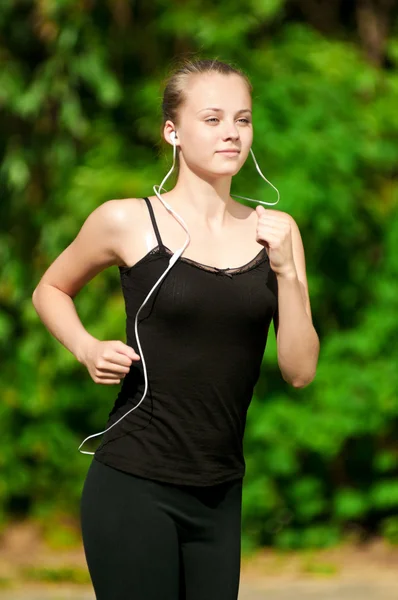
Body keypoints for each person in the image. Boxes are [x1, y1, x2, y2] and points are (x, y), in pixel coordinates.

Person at [32, 58, 319, 600]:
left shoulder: (276, 234)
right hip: (133, 481)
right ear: (173, 131)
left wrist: (286, 271)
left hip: (220, 491)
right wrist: (85, 346)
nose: (231, 133)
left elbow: (300, 370)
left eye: (242, 119)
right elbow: (49, 289)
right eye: (212, 119)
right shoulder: (127, 220)